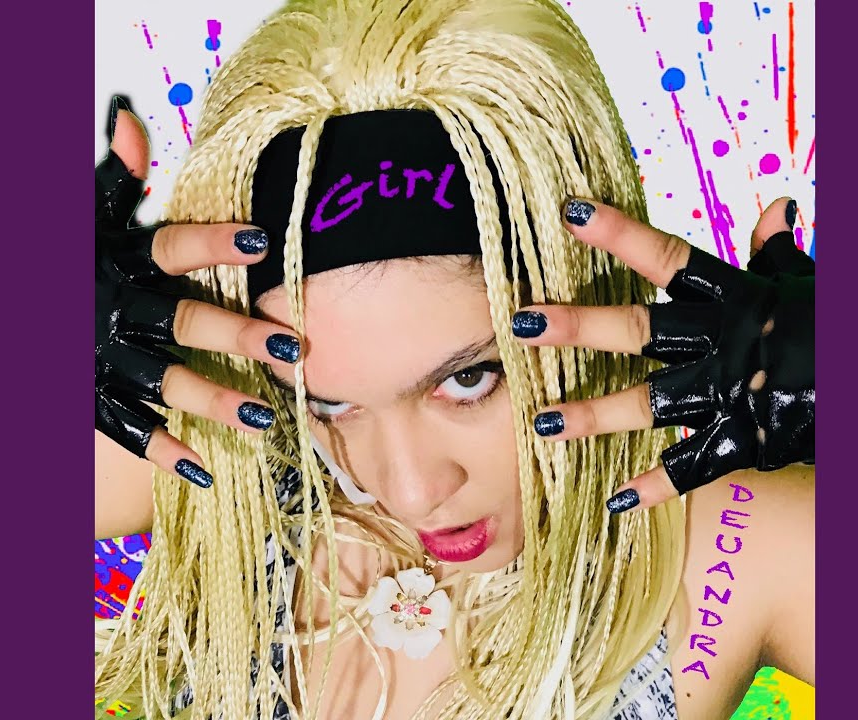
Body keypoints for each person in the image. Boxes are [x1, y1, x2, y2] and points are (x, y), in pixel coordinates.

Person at [94, 0, 814, 718]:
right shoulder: (220, 465)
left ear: (581, 288)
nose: (409, 492)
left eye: (469, 380)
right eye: (328, 401)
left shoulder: (723, 537)